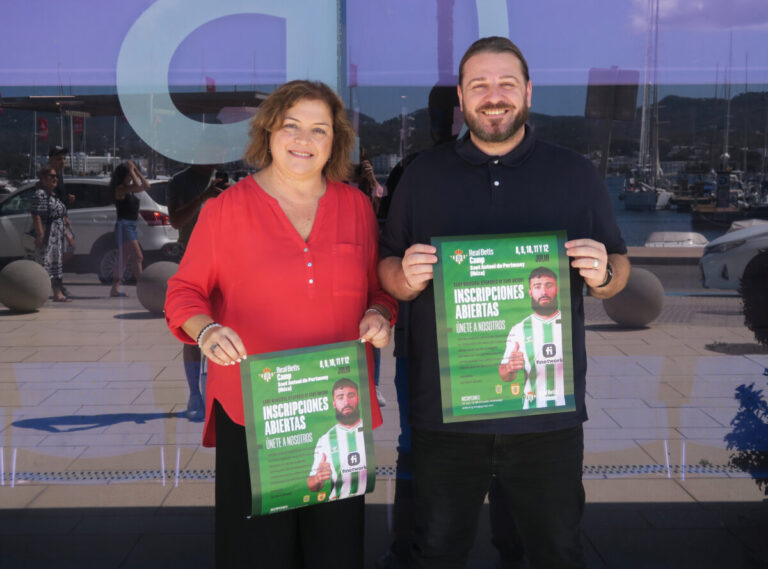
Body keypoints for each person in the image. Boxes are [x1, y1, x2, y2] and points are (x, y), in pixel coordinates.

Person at [378, 36, 630, 569]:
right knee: (437, 549)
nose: (494, 96)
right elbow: (386, 267)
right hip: (446, 416)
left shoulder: (575, 173)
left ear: (528, 93)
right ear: (463, 99)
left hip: (547, 418)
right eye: (480, 86)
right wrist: (402, 277)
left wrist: (603, 273)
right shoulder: (422, 175)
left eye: (506, 84)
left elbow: (620, 267)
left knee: (554, 551)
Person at [164, 79, 396, 569]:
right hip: (254, 411)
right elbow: (183, 292)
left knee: (334, 550)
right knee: (256, 552)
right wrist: (206, 330)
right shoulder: (225, 210)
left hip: (336, 412)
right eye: (291, 126)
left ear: (335, 142)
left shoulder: (356, 206)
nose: (304, 140)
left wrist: (381, 313)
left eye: (319, 130)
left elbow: (377, 289)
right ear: (268, 132)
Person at [166, 162, 223, 420]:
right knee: (192, 328)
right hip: (192, 260)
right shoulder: (180, 181)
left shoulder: (226, 179)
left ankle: (216, 393)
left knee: (223, 327)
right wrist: (203, 197)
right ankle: (195, 394)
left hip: (225, 259)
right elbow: (176, 221)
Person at [499, 267, 565, 410]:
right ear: (530, 292)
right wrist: (510, 367)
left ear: (557, 289)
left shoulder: (569, 323)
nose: (544, 292)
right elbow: (504, 374)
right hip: (532, 408)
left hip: (567, 409)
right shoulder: (518, 329)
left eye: (549, 285)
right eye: (537, 287)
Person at [307, 378, 367, 500]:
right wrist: (318, 478)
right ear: (334, 403)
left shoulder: (369, 428)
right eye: (340, 397)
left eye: (351, 396)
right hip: (338, 503)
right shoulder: (325, 440)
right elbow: (312, 485)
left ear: (358, 398)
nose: (346, 402)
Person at [30, 167, 71, 302]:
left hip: (56, 236)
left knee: (55, 265)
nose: (55, 178)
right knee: (46, 265)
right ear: (42, 179)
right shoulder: (40, 194)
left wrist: (66, 233)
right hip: (49, 236)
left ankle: (57, 294)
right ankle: (37, 293)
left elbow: (58, 215)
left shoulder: (52, 194)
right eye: (51, 176)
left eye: (56, 176)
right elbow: (36, 216)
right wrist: (41, 235)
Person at [109, 161, 149, 298]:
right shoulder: (120, 189)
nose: (130, 177)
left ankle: (114, 289)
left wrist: (137, 171)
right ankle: (143, 289)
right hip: (124, 226)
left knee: (123, 260)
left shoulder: (129, 188)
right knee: (138, 256)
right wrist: (132, 170)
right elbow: (139, 186)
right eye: (128, 175)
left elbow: (146, 186)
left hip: (131, 225)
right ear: (122, 176)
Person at [47, 146, 75, 293]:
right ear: (50, 160)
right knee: (58, 254)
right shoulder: (50, 178)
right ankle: (56, 285)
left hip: (62, 220)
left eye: (64, 158)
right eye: (59, 159)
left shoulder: (60, 176)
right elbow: (50, 201)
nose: (63, 161)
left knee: (66, 251)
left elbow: (58, 199)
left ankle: (53, 281)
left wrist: (67, 198)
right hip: (55, 222)